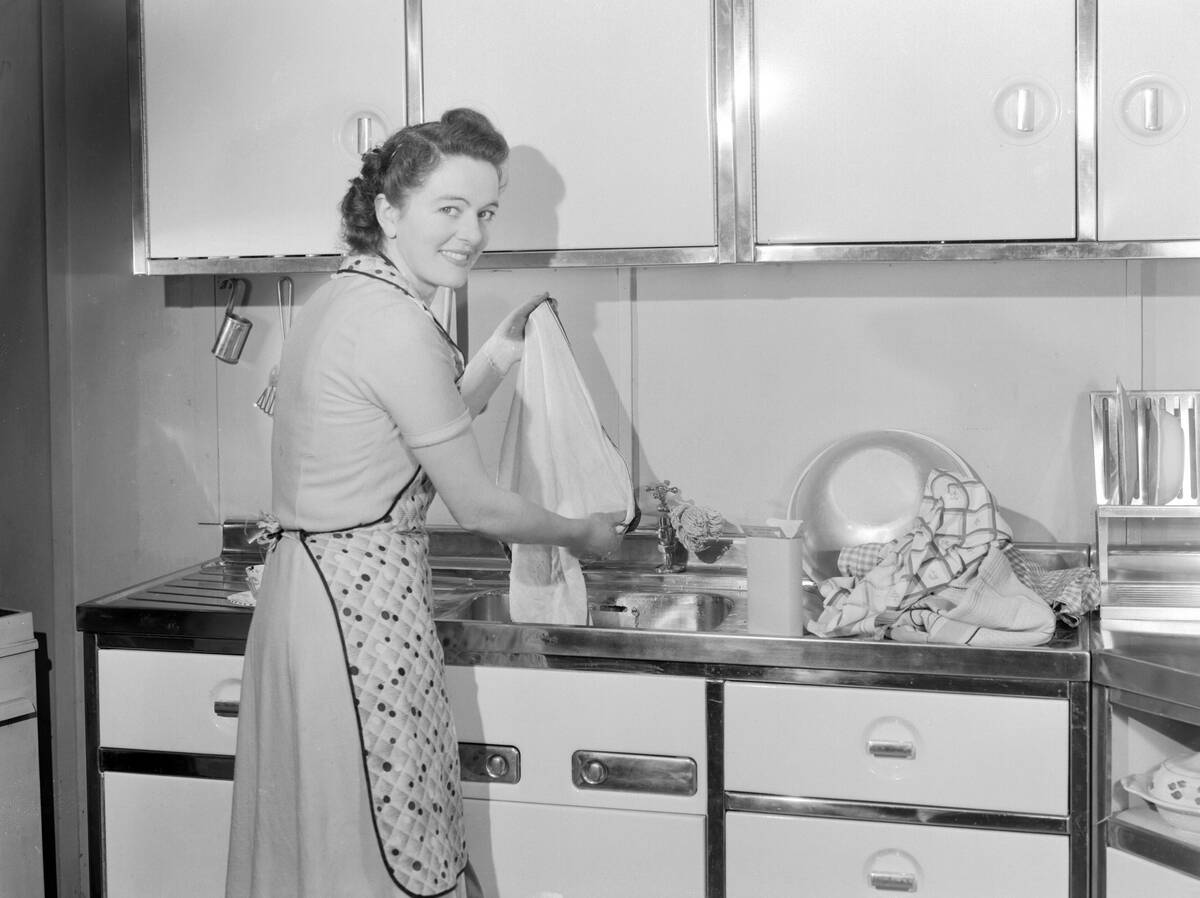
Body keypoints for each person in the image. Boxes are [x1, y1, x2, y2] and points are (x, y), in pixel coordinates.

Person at [225, 108, 626, 898]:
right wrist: (585, 534)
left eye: (485, 212)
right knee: (384, 844)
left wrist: (497, 357)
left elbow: (398, 433)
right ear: (388, 210)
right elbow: (479, 507)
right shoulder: (395, 324)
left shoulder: (342, 298)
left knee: (320, 842)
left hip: (308, 601)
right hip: (358, 615)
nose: (472, 233)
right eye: (450, 209)